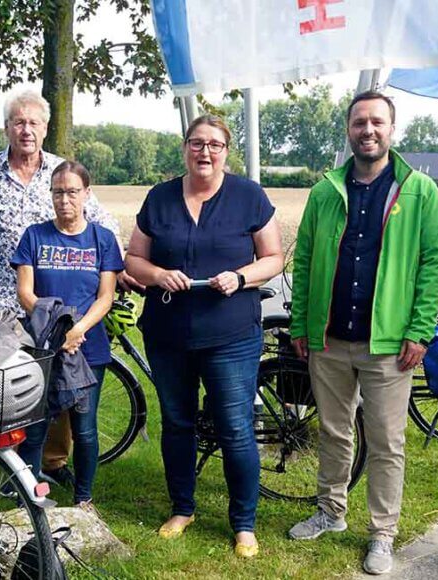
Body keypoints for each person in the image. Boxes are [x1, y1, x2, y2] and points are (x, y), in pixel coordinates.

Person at [286, 91, 438, 576]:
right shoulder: (325, 192)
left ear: (392, 129)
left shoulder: (418, 191)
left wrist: (419, 330)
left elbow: (434, 264)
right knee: (333, 432)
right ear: (349, 130)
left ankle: (382, 534)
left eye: (377, 122)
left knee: (385, 441)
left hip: (389, 345)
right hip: (330, 338)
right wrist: (301, 324)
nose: (368, 130)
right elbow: (305, 258)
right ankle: (330, 512)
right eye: (360, 122)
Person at [125, 114, 284, 558]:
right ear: (185, 148)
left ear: (226, 151)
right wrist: (158, 273)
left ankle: (244, 523)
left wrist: (240, 276)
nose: (205, 152)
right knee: (177, 423)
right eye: (197, 143)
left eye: (214, 144)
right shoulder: (159, 198)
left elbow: (273, 257)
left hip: (230, 335)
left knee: (235, 429)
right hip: (169, 333)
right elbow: (133, 259)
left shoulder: (248, 197)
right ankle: (182, 508)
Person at [0, 90, 125, 487]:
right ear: (7, 127)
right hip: (4, 297)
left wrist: (117, 266)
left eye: (33, 122)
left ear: (45, 128)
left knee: (60, 388)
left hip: (60, 306)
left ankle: (51, 463)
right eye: (18, 121)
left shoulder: (60, 173)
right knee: (9, 388)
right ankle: (9, 467)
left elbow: (99, 221)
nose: (26, 129)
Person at [11, 160, 123, 514]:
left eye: (72, 192)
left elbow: (106, 295)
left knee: (85, 431)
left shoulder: (101, 239)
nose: (64, 200)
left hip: (89, 349)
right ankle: (32, 495)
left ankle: (83, 499)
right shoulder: (35, 235)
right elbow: (25, 293)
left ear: (86, 194)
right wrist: (56, 325)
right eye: (58, 192)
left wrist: (77, 329)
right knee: (35, 427)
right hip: (43, 348)